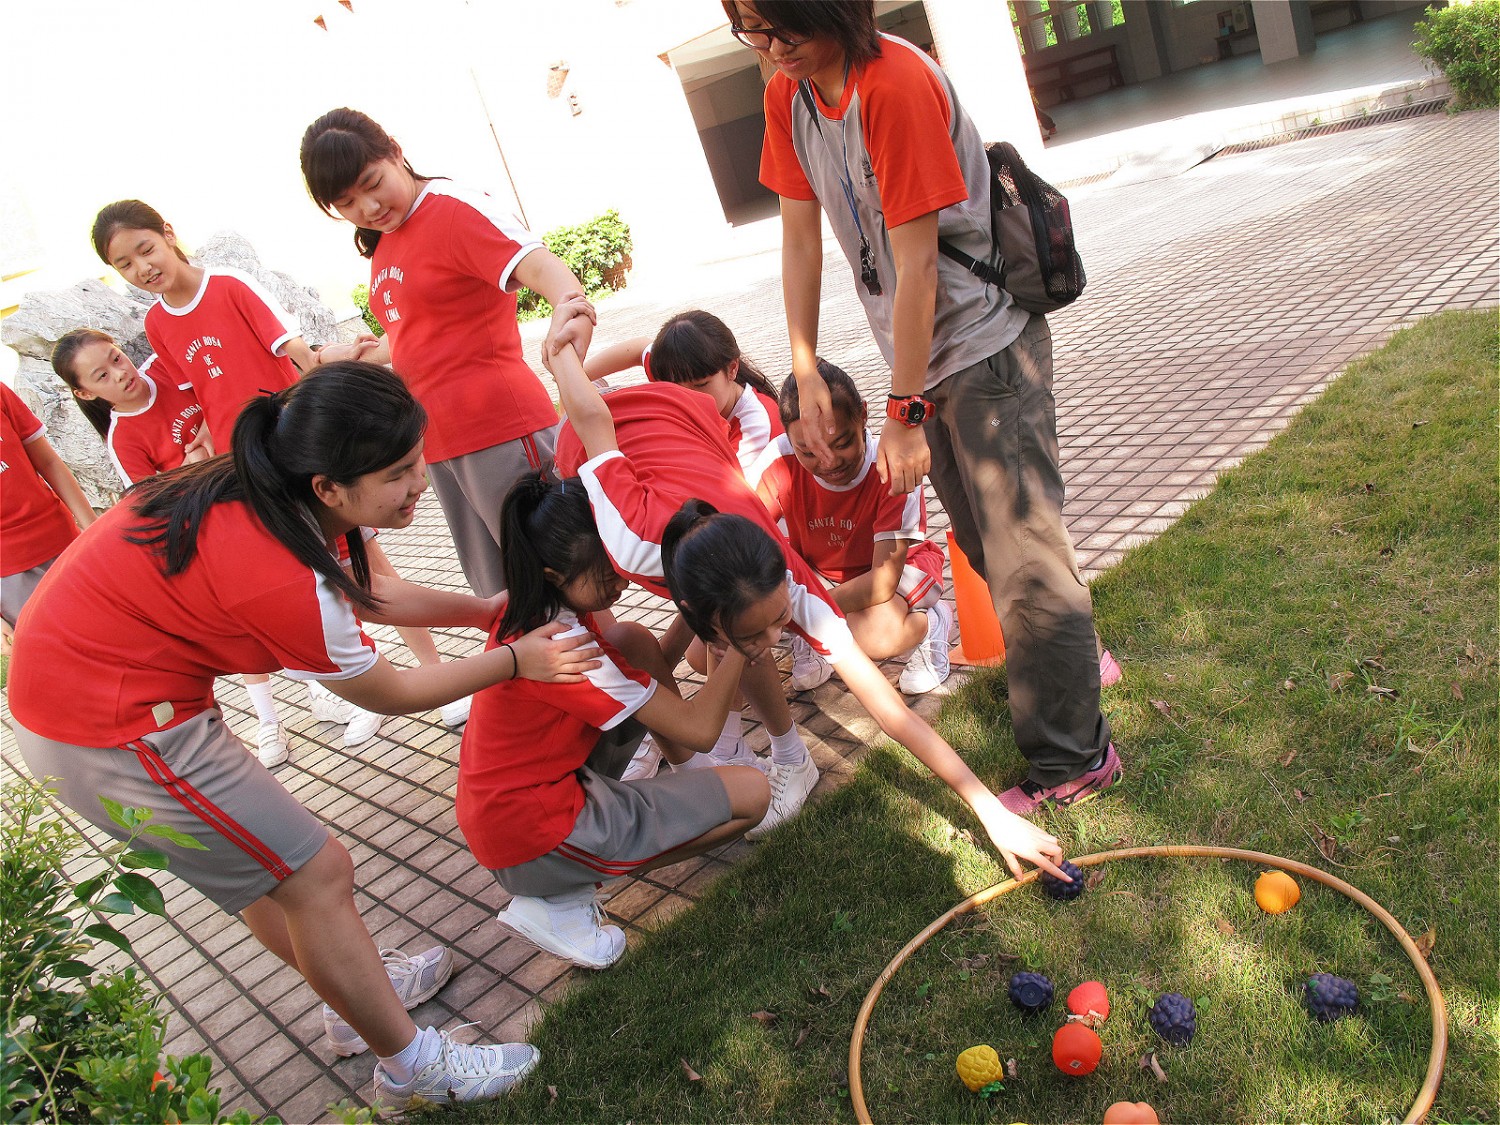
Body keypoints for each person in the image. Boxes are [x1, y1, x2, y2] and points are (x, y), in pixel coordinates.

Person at [7, 363, 599, 1109]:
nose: (420, 482)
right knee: (316, 875)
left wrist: (483, 609)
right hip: (106, 731)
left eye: (418, 458)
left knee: (271, 875)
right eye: (398, 473)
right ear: (330, 487)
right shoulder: (278, 566)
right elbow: (388, 692)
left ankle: (359, 1002)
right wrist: (516, 660)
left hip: (111, 703)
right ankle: (412, 1069)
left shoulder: (277, 492)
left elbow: (370, 593)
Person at [729, 0, 1121, 815]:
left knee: (1022, 552)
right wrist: (801, 371)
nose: (771, 48)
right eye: (752, 30)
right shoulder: (788, 95)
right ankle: (1075, 662)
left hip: (984, 345)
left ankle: (1076, 758)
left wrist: (904, 411)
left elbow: (918, 266)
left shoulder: (895, 84)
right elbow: (799, 240)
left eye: (784, 28)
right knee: (985, 540)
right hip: (922, 358)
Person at [542, 336, 1069, 881]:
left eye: (779, 621)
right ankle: (711, 757)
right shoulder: (629, 541)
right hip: (588, 445)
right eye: (759, 634)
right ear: (701, 609)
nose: (778, 641)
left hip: (691, 422)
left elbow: (894, 714)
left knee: (721, 652)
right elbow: (590, 417)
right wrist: (560, 356)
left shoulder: (788, 580)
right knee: (661, 642)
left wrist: (991, 812)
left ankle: (757, 756)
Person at [90, 206, 472, 756]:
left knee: (368, 566)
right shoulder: (156, 326)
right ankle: (368, 688)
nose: (142, 267)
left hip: (300, 460)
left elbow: (297, 357)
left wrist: (345, 372)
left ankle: (432, 672)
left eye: (145, 249)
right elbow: (197, 399)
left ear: (168, 235)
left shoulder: (228, 286)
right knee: (320, 585)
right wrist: (195, 453)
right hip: (251, 480)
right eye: (124, 264)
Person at [459, 473, 782, 969]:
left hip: (521, 807)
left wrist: (700, 605)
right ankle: (564, 897)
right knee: (753, 795)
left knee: (631, 639)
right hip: (534, 837)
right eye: (603, 575)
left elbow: (649, 671)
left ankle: (684, 789)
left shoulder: (541, 612)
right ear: (553, 574)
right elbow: (699, 730)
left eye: (614, 564)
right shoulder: (570, 651)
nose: (620, 581)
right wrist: (739, 637)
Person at [299, 107, 597, 599]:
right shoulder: (386, 240)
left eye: (373, 183)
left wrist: (571, 306)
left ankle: (608, 653)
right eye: (347, 203)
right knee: (502, 593)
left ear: (396, 151)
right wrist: (352, 356)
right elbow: (413, 334)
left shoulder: (453, 208)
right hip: (436, 444)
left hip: (500, 429)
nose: (368, 208)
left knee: (559, 579)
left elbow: (539, 264)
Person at [747, 359, 951, 696]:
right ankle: (816, 630)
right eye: (808, 452)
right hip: (824, 576)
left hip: (900, 571)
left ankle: (932, 623)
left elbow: (882, 583)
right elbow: (737, 531)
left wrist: (798, 612)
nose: (828, 462)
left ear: (863, 415)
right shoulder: (778, 460)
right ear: (788, 438)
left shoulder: (890, 465)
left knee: (876, 637)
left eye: (841, 443)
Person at [583, 310, 784, 475]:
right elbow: (640, 347)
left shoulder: (755, 428)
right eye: (675, 389)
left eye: (701, 385)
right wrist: (579, 377)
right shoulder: (674, 371)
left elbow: (726, 495)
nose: (688, 398)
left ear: (732, 369)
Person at [1, 381, 95, 636]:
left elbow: (49, 462)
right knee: (65, 648)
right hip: (9, 579)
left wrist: (94, 530)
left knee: (119, 626)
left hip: (64, 541)